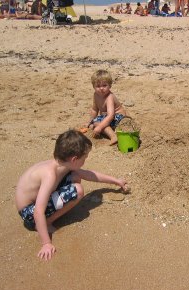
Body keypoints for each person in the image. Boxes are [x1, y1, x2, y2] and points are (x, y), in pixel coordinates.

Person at [15, 129, 129, 260]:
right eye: (84, 158)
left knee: (76, 175)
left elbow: (89, 174)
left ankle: (51, 215)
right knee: (77, 190)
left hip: (35, 204)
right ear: (74, 159)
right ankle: (45, 223)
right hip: (30, 212)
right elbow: (38, 211)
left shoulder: (62, 164)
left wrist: (115, 181)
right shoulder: (50, 175)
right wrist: (46, 243)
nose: (84, 162)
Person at [85, 69, 127, 145]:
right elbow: (95, 109)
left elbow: (111, 115)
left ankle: (113, 136)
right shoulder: (95, 95)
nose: (101, 88)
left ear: (110, 85)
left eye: (104, 85)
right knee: (94, 123)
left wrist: (100, 127)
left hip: (118, 117)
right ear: (93, 86)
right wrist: (90, 121)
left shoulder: (109, 97)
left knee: (98, 124)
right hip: (108, 117)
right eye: (98, 86)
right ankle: (107, 129)